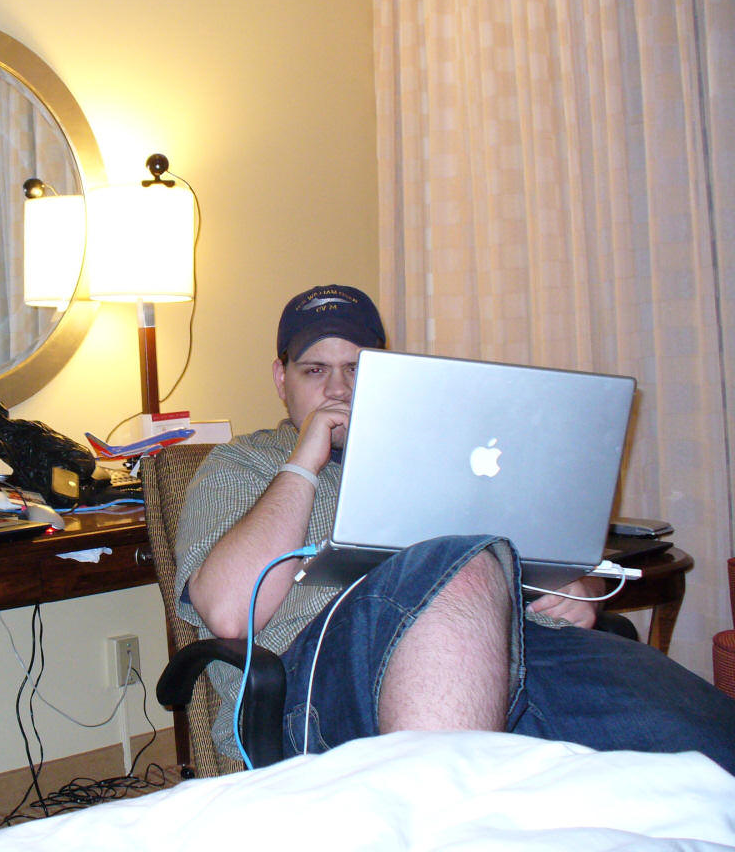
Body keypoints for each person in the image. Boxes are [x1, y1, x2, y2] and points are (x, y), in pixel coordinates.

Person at [175, 284, 735, 771]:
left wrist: (573, 588)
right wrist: (303, 463)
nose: (339, 389)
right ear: (281, 378)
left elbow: (528, 555)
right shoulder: (242, 464)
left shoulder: (451, 450)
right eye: (315, 370)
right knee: (456, 567)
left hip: (514, 650)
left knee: (703, 742)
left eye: (357, 368)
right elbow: (228, 611)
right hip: (325, 677)